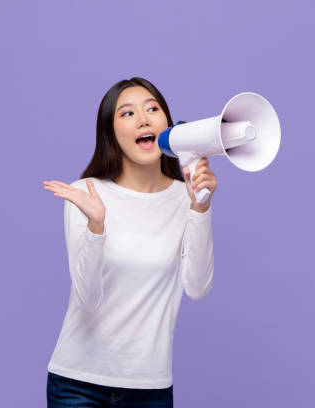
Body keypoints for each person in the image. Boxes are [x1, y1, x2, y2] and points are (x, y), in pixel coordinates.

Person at [42, 77, 217, 407]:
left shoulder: (186, 197)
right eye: (127, 113)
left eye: (153, 108)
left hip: (150, 387)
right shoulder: (85, 193)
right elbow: (88, 299)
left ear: (166, 123)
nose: (144, 119)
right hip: (77, 384)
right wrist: (96, 225)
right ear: (110, 133)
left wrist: (200, 207)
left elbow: (196, 287)